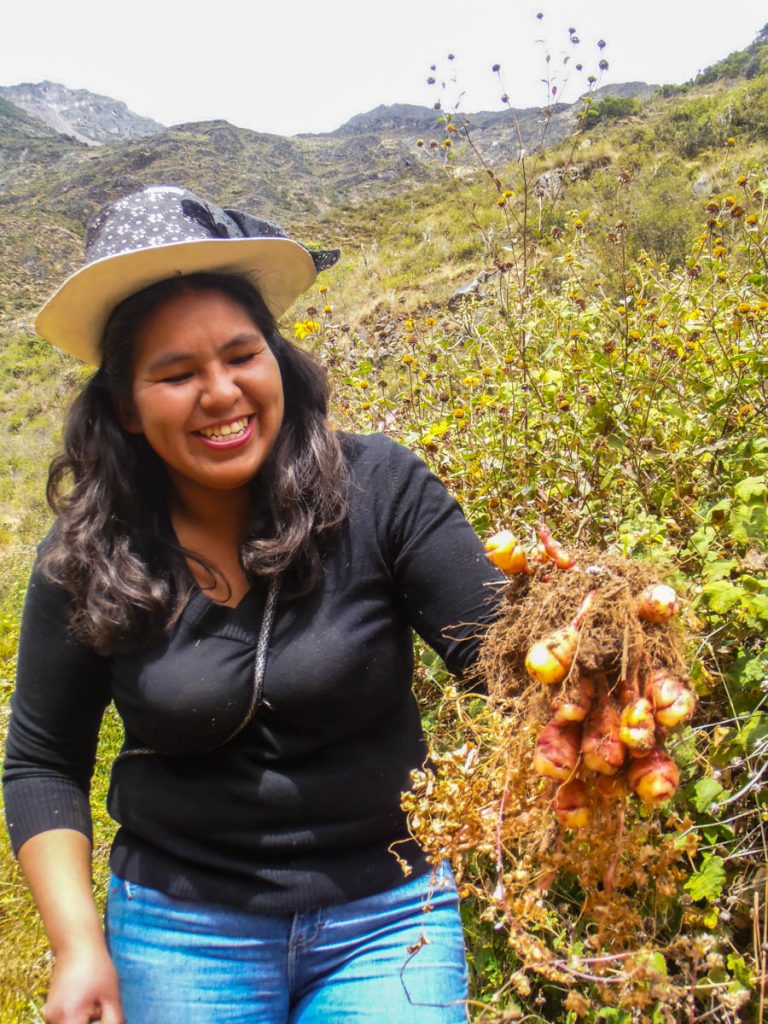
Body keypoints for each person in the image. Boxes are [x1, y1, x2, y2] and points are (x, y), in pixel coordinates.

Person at [3, 185, 504, 1024]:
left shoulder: (379, 489)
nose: (221, 392)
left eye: (241, 355)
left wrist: (597, 655)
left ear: (278, 360)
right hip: (179, 934)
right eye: (176, 373)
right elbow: (43, 762)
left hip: (388, 923)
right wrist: (79, 945)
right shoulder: (87, 555)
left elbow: (500, 651)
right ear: (125, 406)